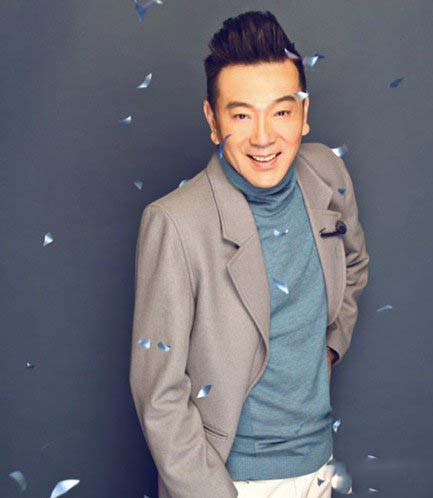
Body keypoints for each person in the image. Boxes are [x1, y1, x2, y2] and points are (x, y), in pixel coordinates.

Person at [129, 10, 369, 498]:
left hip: (319, 466)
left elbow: (354, 265)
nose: (263, 137)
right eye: (241, 115)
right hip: (230, 480)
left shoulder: (328, 173)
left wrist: (327, 349)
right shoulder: (174, 222)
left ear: (304, 113)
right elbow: (158, 394)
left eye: (281, 112)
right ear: (213, 121)